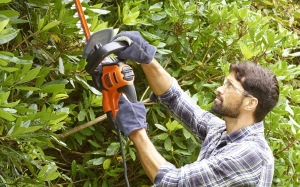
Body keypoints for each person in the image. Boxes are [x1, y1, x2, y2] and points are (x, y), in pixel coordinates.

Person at [112, 31, 280, 186]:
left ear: (250, 103)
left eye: (230, 86)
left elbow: (174, 183)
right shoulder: (223, 132)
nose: (220, 89)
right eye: (224, 83)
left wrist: (136, 130)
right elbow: (174, 97)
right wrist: (145, 58)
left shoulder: (252, 154)